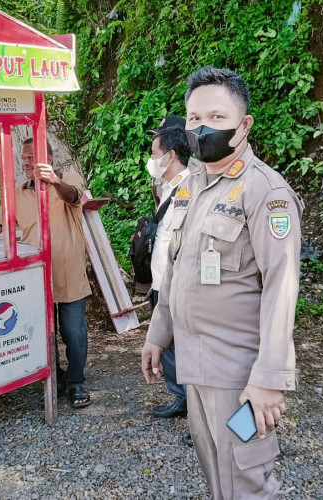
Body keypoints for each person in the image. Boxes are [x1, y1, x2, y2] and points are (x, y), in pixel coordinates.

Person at [141, 66, 303, 499]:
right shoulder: (194, 184)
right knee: (216, 473)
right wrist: (158, 334)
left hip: (239, 374)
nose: (202, 127)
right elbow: (177, 268)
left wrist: (268, 379)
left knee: (246, 479)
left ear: (243, 124)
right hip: (197, 366)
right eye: (194, 119)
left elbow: (281, 288)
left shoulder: (265, 191)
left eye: (216, 117)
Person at [0, 138, 92, 408]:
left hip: (70, 273)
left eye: (31, 157)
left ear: (48, 159)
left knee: (73, 333)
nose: (25, 162)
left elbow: (74, 196)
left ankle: (77, 383)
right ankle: (56, 379)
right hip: (36, 276)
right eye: (23, 158)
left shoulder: (68, 178)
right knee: (43, 334)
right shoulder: (17, 192)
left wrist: (53, 180)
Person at [145, 115, 192, 420]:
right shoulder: (166, 186)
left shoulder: (192, 188)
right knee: (170, 346)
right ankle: (181, 398)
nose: (151, 161)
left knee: (186, 347)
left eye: (154, 155)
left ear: (172, 155)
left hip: (178, 285)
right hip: (161, 282)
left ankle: (199, 410)